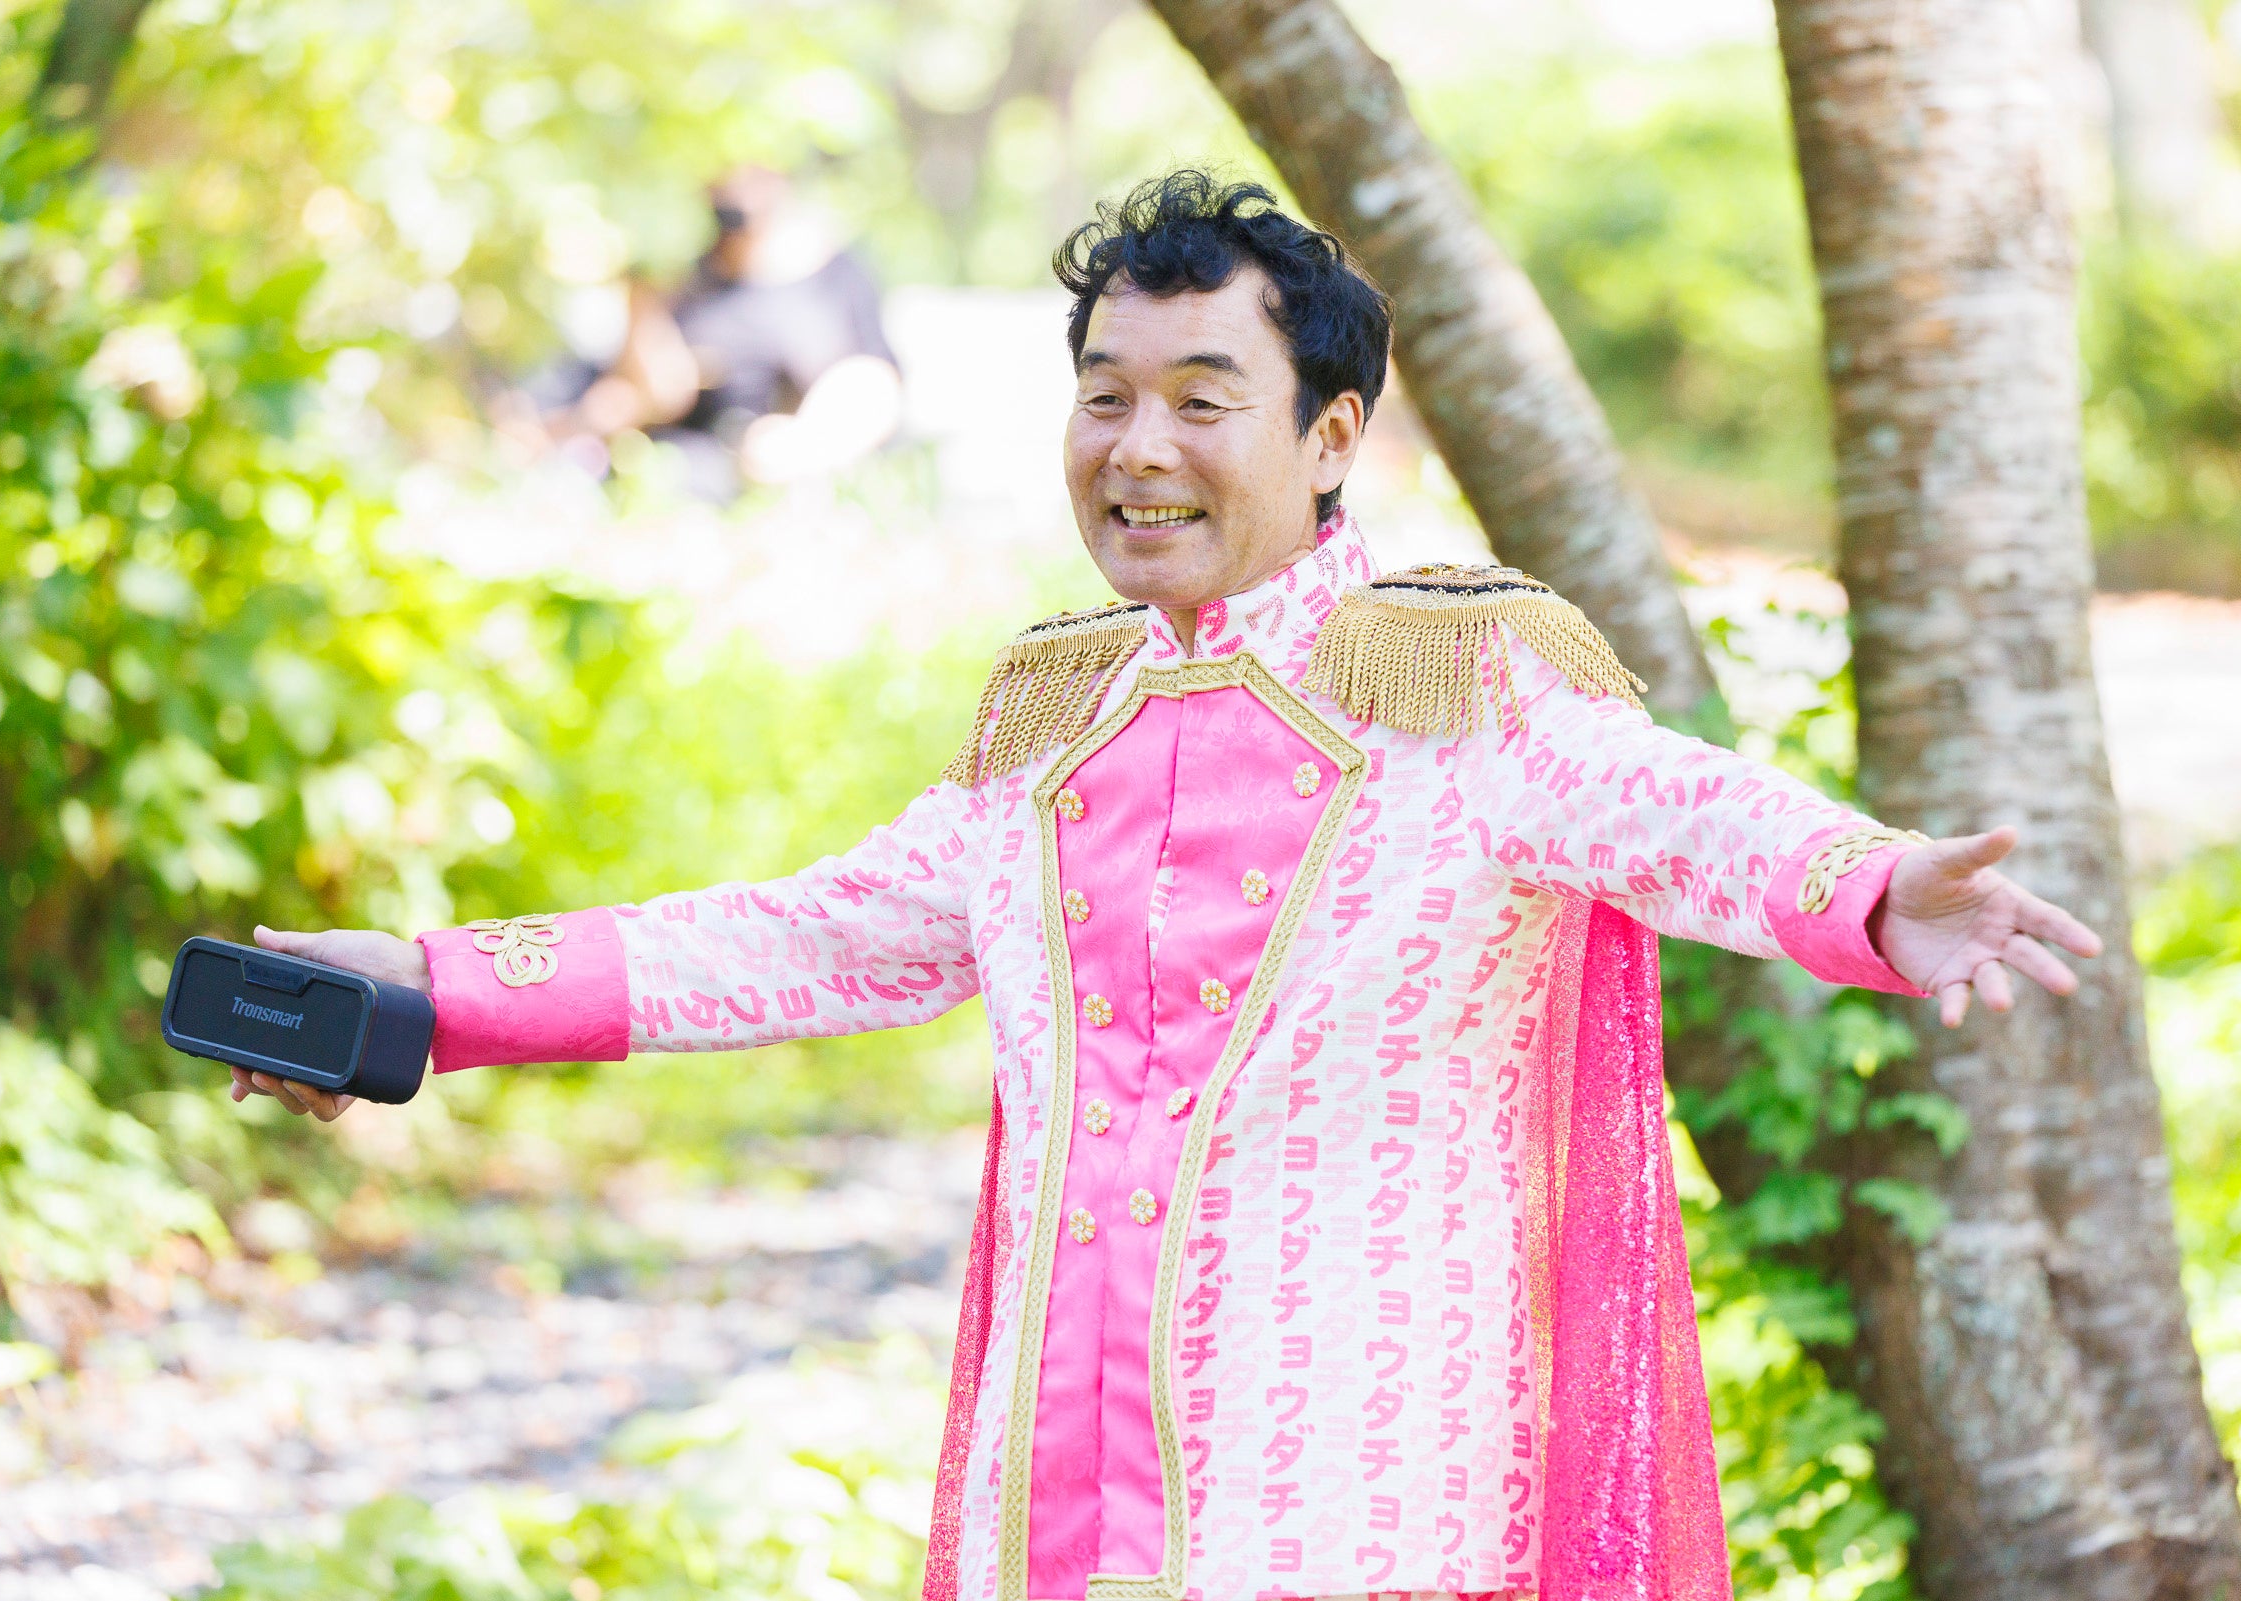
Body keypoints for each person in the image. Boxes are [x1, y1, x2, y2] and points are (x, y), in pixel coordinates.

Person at [236, 172, 2103, 1601]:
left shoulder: (1462, 682)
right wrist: (423, 989)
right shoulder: (1049, 721)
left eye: (1205, 400)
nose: (1139, 449)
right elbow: (804, 938)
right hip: (1055, 1495)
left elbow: (1676, 808)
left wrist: (1871, 886)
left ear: (1332, 437)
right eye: (1105, 397)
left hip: (1363, 1497)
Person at [499, 166, 904, 497]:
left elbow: (872, 383)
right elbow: (653, 392)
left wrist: (803, 443)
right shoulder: (688, 280)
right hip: (678, 461)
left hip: (760, 469)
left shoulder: (831, 277)